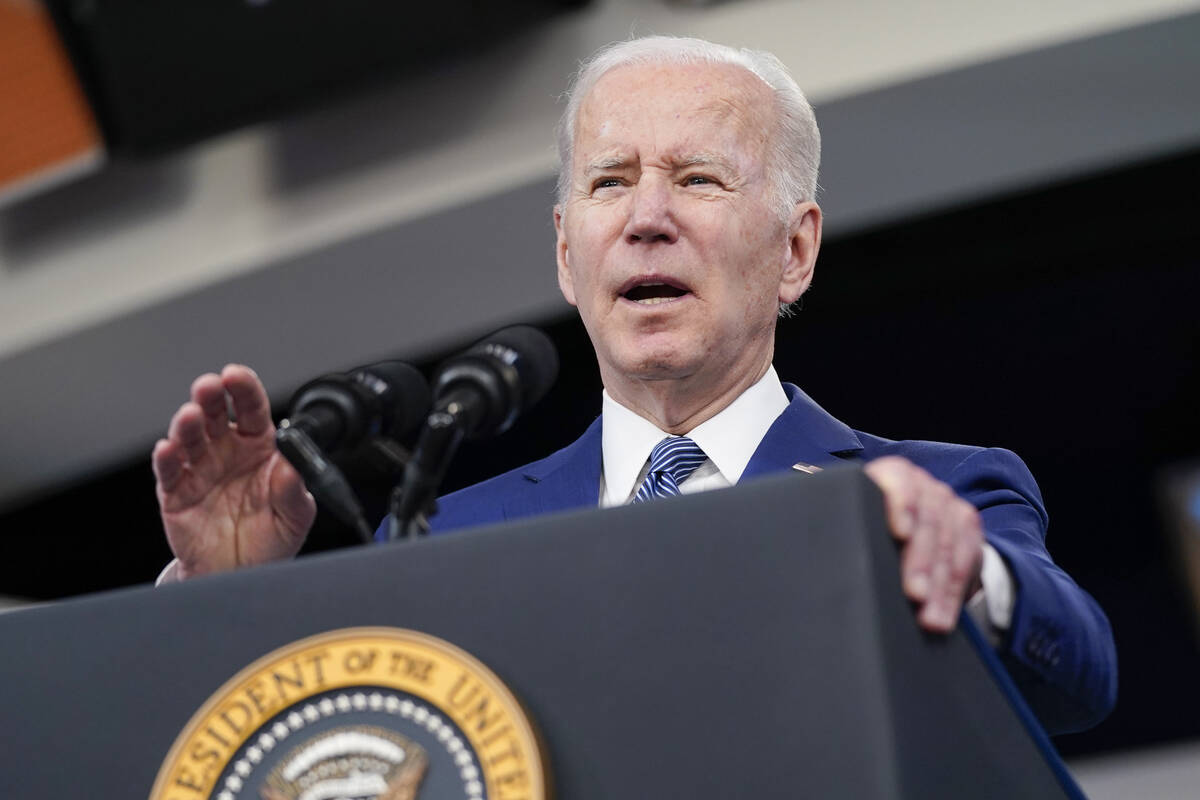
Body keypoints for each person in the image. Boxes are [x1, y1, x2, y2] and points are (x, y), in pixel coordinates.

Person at [152, 36, 1116, 735]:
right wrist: (231, 604)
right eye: (610, 182)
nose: (647, 217)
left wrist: (967, 568)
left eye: (697, 178)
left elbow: (1079, 675)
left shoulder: (933, 491)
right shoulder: (439, 535)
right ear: (570, 255)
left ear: (795, 249)